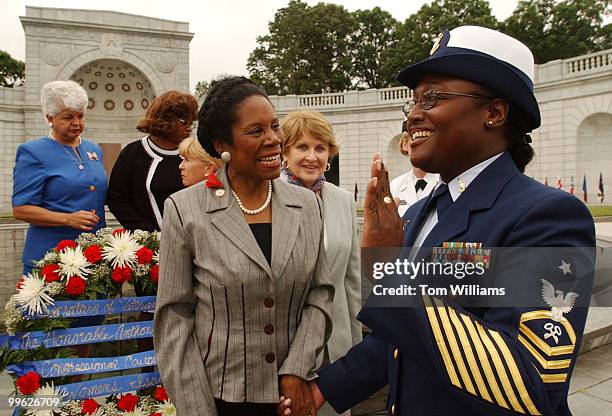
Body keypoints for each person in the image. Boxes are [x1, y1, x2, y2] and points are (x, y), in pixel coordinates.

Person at [282, 26, 596, 416]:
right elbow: (401, 339)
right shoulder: (417, 213)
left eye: (432, 98)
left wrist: (387, 268)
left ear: (494, 113)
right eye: (413, 102)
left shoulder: (548, 216)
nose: (413, 114)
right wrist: (324, 389)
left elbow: (529, 381)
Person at [154, 76, 334, 416]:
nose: (274, 140)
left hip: (294, 400)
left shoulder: (306, 205)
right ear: (223, 144)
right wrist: (196, 408)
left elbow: (320, 293)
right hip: (220, 400)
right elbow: (174, 317)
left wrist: (296, 369)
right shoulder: (185, 210)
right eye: (256, 131)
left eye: (275, 127)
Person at [280, 110, 362, 416]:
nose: (312, 157)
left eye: (320, 148)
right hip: (283, 355)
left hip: (336, 351)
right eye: (302, 147)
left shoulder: (342, 200)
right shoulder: (266, 198)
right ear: (284, 153)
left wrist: (354, 353)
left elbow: (351, 282)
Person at [13, 80, 107, 275]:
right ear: (50, 117)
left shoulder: (93, 149)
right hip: (50, 256)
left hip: (93, 255)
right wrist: (67, 219)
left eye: (80, 116)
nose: (77, 123)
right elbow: (21, 209)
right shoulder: (33, 152)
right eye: (68, 117)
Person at [107, 90, 198, 231]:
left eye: (191, 122)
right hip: (150, 245)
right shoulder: (133, 153)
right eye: (184, 121)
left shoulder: (196, 153)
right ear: (165, 120)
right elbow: (117, 199)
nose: (189, 127)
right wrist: (148, 234)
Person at [389, 120, 438, 217]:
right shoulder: (396, 185)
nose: (419, 145)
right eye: (415, 138)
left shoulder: (444, 182)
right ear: (405, 145)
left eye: (424, 139)